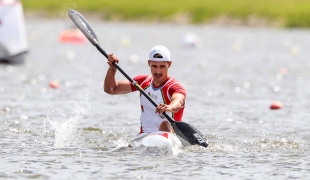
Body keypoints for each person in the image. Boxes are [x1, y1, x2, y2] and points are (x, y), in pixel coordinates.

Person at [104, 45, 186, 138]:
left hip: (169, 137)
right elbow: (111, 89)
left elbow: (178, 101)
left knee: (165, 124)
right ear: (149, 63)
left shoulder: (175, 87)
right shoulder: (142, 82)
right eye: (154, 66)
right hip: (144, 137)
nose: (158, 71)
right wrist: (112, 69)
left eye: (162, 66)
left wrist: (169, 107)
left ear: (169, 64)